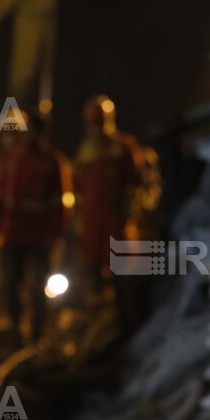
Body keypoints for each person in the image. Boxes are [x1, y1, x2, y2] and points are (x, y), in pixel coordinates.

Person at [0, 109, 66, 347]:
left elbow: (58, 203)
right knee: (10, 283)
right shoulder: (12, 159)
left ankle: (37, 333)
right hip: (12, 234)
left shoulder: (52, 162)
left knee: (36, 287)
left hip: (38, 237)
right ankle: (16, 330)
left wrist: (53, 235)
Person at [74, 95, 140, 314]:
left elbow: (135, 183)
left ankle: (125, 316)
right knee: (92, 269)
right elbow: (78, 187)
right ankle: (97, 318)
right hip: (91, 222)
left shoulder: (123, 148)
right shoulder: (85, 151)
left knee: (121, 269)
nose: (95, 129)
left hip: (116, 220)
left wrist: (128, 210)